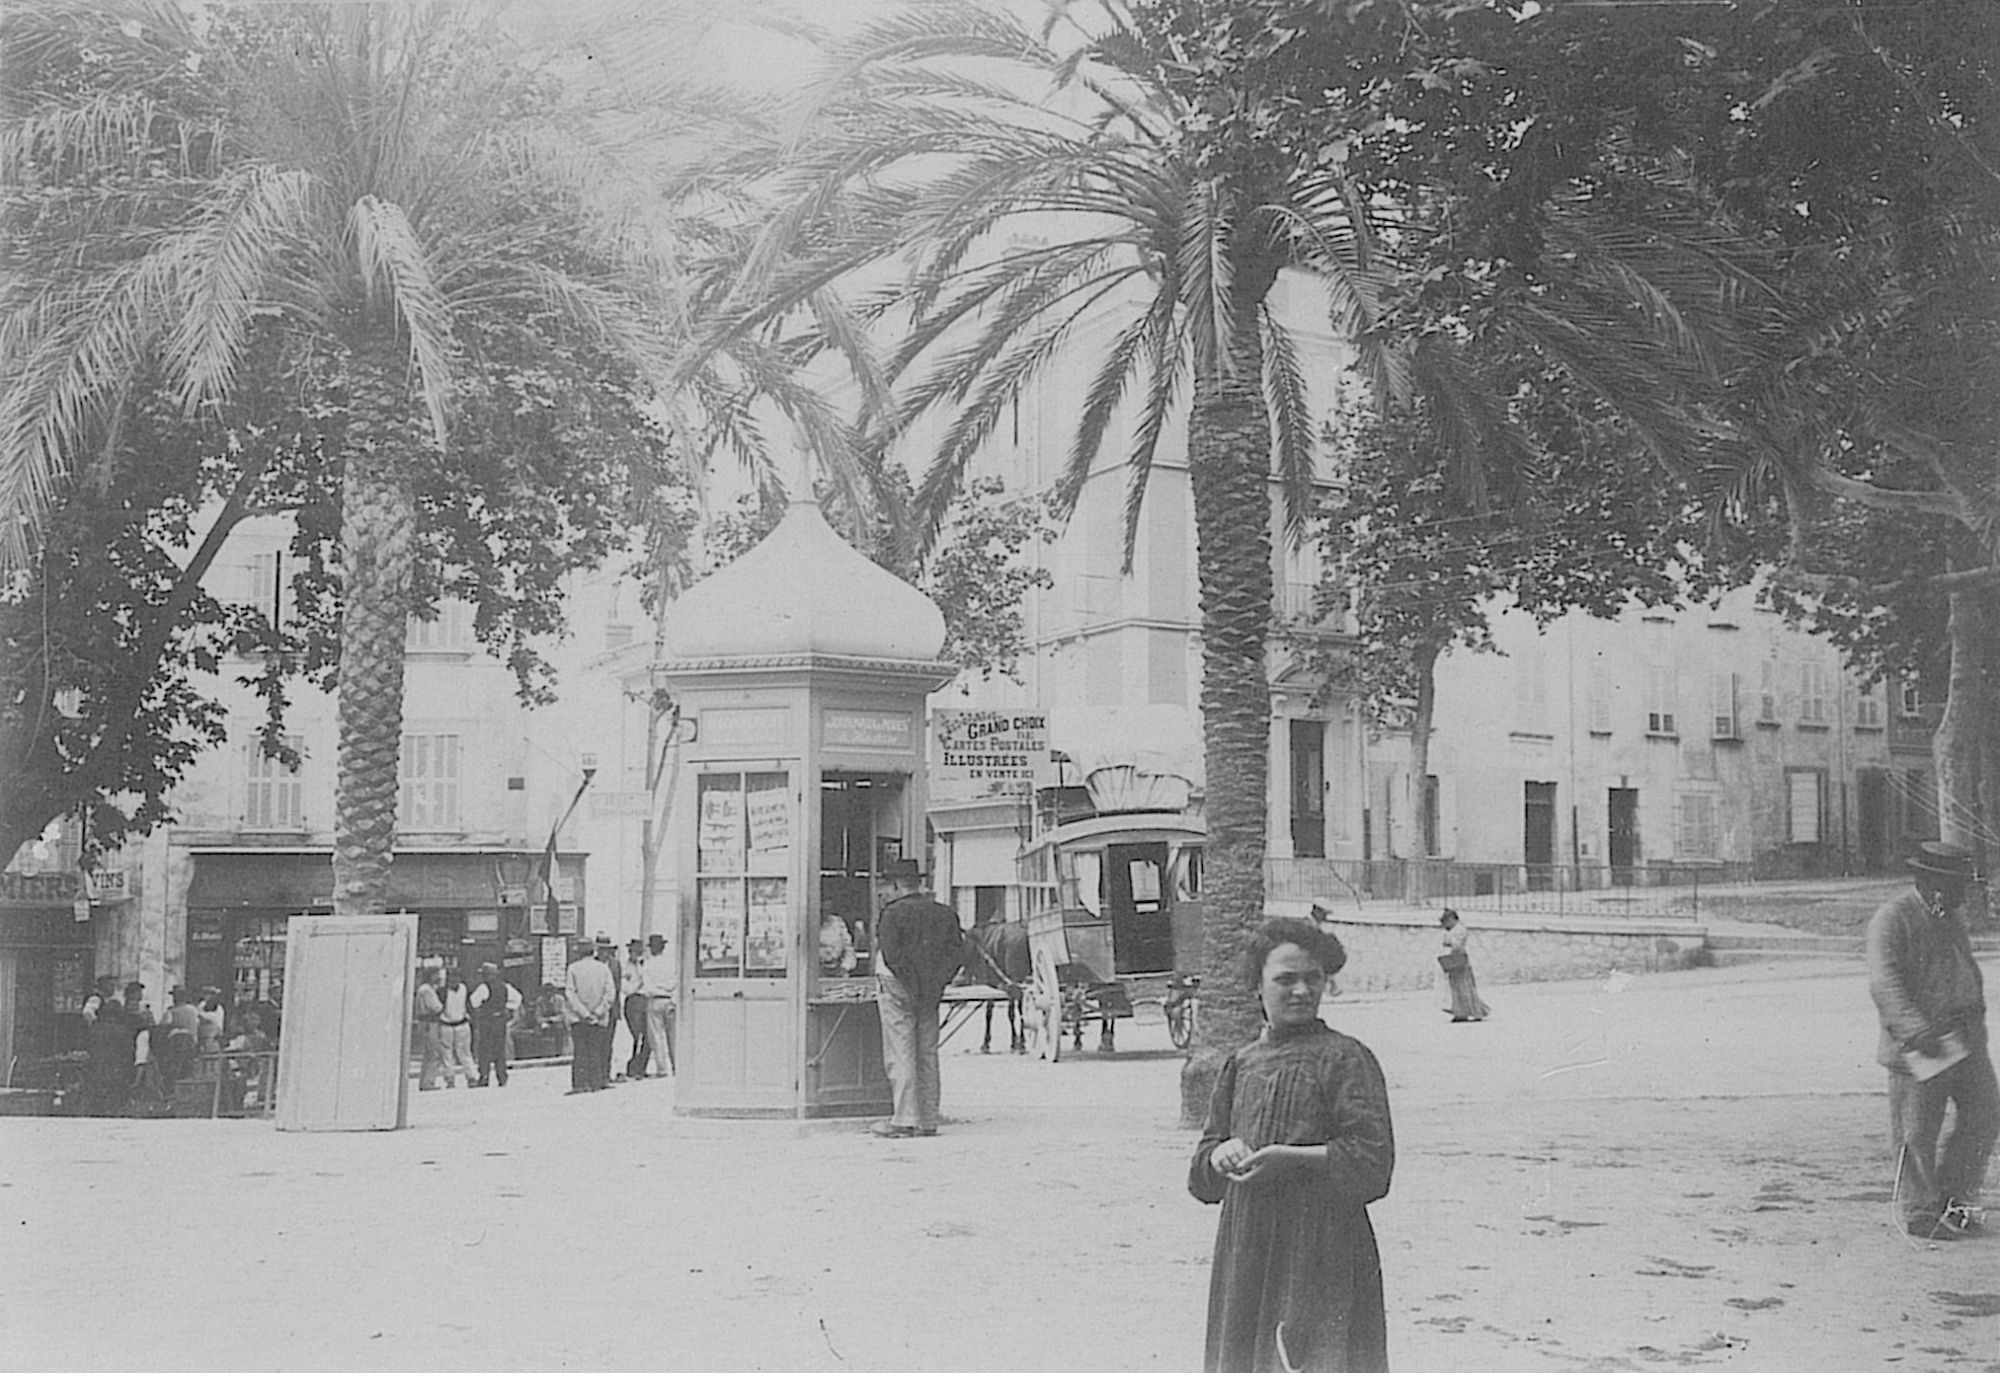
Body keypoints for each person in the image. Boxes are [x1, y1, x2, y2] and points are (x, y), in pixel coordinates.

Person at [1190, 918, 1394, 1373]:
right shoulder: (1240, 1064)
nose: (1301, 990)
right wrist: (1219, 1156)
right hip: (1248, 1249)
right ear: (1255, 987)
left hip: (1323, 1248)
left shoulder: (1347, 1058)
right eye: (1285, 979)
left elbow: (1373, 1165)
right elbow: (1201, 1177)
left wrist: (1292, 1160)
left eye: (1313, 978)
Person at [1866, 840, 1997, 1242]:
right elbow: (1885, 983)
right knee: (1916, 1130)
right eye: (1958, 885)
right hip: (1919, 1046)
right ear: (1935, 884)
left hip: (1964, 1040)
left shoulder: (1949, 916)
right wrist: (1917, 1032)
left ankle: (1955, 1202)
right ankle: (1921, 1212)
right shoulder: (1892, 919)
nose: (1965, 894)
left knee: (1986, 1113)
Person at [871, 861, 965, 1139]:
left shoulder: (892, 914)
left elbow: (892, 956)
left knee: (901, 1052)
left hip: (897, 988)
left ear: (899, 885)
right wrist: (934, 984)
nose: (886, 892)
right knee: (927, 1053)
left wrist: (911, 984)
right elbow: (956, 954)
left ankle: (904, 1119)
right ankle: (927, 1119)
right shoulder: (945, 914)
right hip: (930, 992)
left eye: (889, 886)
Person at [79, 978, 140, 1116]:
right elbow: (87, 1012)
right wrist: (95, 1025)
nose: (113, 988)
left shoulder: (105, 1005)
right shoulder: (96, 999)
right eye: (110, 985)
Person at [564, 940, 616, 1094]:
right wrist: (598, 1012)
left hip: (579, 1018)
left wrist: (584, 1013)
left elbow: (570, 993)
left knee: (580, 1050)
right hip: (599, 1018)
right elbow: (610, 993)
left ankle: (581, 1083)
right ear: (593, 951)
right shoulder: (603, 969)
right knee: (597, 1049)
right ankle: (597, 1081)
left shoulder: (573, 968)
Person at [469, 962, 521, 1088]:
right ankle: (502, 1076)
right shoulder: (505, 986)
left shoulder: (483, 988)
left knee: (485, 1048)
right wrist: (506, 1008)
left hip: (487, 1021)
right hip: (500, 1020)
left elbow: (473, 1002)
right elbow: (517, 998)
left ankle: (484, 1076)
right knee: (500, 1049)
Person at [1436, 909, 1490, 1024]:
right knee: (1458, 988)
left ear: (1451, 919)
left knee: (1464, 987)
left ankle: (1473, 1012)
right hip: (1456, 959)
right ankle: (1461, 1012)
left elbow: (1456, 945)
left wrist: (1448, 942)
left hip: (1458, 960)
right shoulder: (1456, 929)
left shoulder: (1459, 929)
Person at [640, 932, 677, 1077]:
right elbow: (676, 981)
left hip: (655, 1000)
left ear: (651, 949)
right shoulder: (671, 963)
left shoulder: (648, 965)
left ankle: (662, 1068)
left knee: (656, 1036)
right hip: (670, 999)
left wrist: (657, 990)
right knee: (673, 1036)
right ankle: (677, 1066)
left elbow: (647, 987)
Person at [436, 968, 475, 1088]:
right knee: (447, 1053)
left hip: (462, 1024)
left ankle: (471, 1076)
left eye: (456, 977)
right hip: (446, 1024)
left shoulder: (465, 989)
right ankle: (449, 1078)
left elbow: (469, 1005)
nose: (454, 980)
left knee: (464, 1052)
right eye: (452, 978)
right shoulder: (442, 991)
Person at [622, 938, 655, 1080]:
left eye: (639, 951)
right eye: (634, 951)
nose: (636, 954)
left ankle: (641, 1067)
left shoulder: (646, 965)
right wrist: (639, 982)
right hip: (634, 1001)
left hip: (646, 1000)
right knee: (636, 1036)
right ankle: (632, 1067)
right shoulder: (626, 967)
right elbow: (627, 989)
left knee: (649, 1036)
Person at [413, 967, 446, 1091]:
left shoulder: (425, 989)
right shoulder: (427, 990)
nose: (439, 978)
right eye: (436, 975)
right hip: (429, 1022)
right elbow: (436, 1007)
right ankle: (428, 1082)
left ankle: (425, 1082)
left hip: (426, 1022)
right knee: (433, 1053)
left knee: (429, 1053)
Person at [597, 937, 624, 1084]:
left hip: (611, 1009)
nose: (603, 953)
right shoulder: (594, 964)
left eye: (606, 950)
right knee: (597, 1043)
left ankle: (605, 1074)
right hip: (596, 1008)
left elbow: (617, 987)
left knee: (608, 1043)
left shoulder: (615, 965)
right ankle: (597, 1074)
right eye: (601, 950)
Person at [820, 910, 858, 975]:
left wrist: (844, 967)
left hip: (838, 971)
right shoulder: (808, 922)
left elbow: (849, 950)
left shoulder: (838, 922)